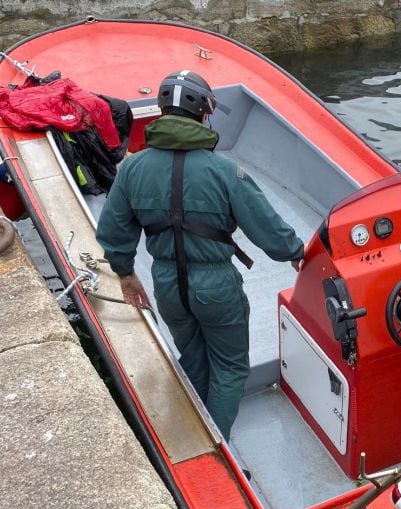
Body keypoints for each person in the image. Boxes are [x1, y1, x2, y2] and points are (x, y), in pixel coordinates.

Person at [96, 70, 305, 437]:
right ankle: (215, 443)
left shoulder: (132, 168)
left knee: (193, 358)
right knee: (230, 367)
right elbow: (268, 229)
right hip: (216, 285)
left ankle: (196, 430)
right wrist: (297, 252)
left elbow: (113, 232)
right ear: (205, 112)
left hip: (166, 283)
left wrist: (126, 274)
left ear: (161, 110)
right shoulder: (225, 171)